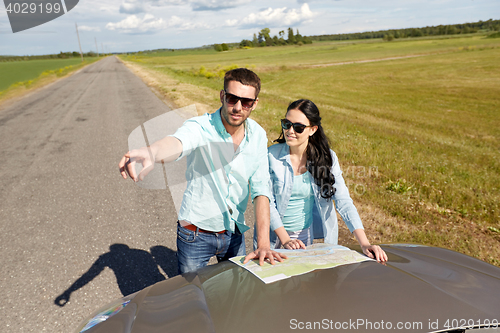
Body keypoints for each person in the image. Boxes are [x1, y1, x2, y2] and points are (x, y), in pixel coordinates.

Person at [119, 68, 286, 274]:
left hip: (234, 234)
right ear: (222, 96)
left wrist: (263, 244)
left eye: (246, 102)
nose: (238, 107)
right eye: (232, 99)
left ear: (255, 103)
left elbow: (261, 190)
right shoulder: (200, 127)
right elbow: (178, 143)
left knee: (234, 294)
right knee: (193, 296)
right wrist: (152, 152)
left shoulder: (258, 135)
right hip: (195, 235)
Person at [264, 99, 387, 262]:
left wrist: (365, 243)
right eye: (286, 124)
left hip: (303, 239)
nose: (290, 131)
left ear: (312, 129)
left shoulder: (327, 158)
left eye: (298, 127)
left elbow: (343, 201)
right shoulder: (271, 156)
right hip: (273, 237)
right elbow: (267, 203)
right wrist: (285, 239)